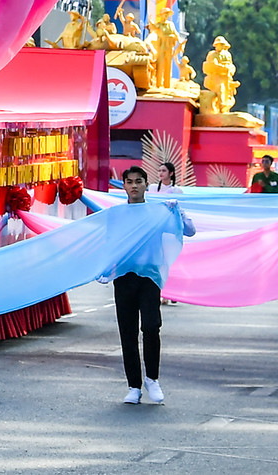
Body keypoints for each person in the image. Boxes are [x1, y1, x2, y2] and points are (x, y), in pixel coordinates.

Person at [112, 166, 194, 404]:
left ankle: (153, 379)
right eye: (129, 182)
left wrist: (178, 212)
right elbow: (108, 245)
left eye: (139, 181)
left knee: (151, 326)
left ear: (147, 184)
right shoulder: (117, 215)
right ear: (124, 186)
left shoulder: (157, 212)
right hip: (124, 278)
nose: (134, 186)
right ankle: (134, 386)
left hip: (149, 277)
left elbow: (189, 231)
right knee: (127, 333)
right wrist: (105, 271)